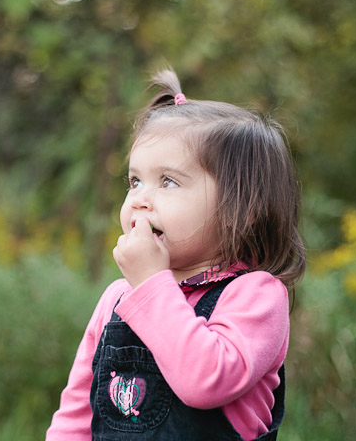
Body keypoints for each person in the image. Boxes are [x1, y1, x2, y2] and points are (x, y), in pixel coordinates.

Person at [46, 68, 305, 441]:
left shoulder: (256, 296)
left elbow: (205, 381)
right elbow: (76, 413)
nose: (139, 199)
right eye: (135, 181)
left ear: (240, 207)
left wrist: (152, 283)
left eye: (168, 181)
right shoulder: (116, 299)